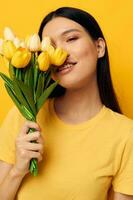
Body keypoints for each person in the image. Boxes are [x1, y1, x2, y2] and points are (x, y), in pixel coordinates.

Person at [0, 6, 133, 200]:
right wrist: (17, 171)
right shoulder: (24, 116)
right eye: (50, 46)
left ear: (99, 47)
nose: (60, 52)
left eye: (71, 39)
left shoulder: (125, 135)